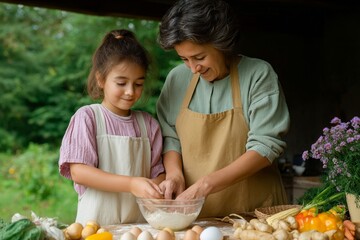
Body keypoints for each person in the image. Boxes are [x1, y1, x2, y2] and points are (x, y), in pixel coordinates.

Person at [157, 0, 290, 218]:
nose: (193, 68)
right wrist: (174, 175)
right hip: (196, 217)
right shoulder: (176, 79)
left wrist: (205, 185)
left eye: (199, 57)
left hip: (256, 215)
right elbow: (170, 136)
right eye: (184, 59)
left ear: (222, 43)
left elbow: (266, 146)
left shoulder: (258, 74)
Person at [58, 29, 165, 226]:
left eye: (138, 83)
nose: (130, 92)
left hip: (140, 230)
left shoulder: (149, 124)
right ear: (101, 79)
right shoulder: (88, 118)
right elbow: (79, 172)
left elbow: (158, 173)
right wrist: (132, 184)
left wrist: (156, 188)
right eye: (121, 83)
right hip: (95, 229)